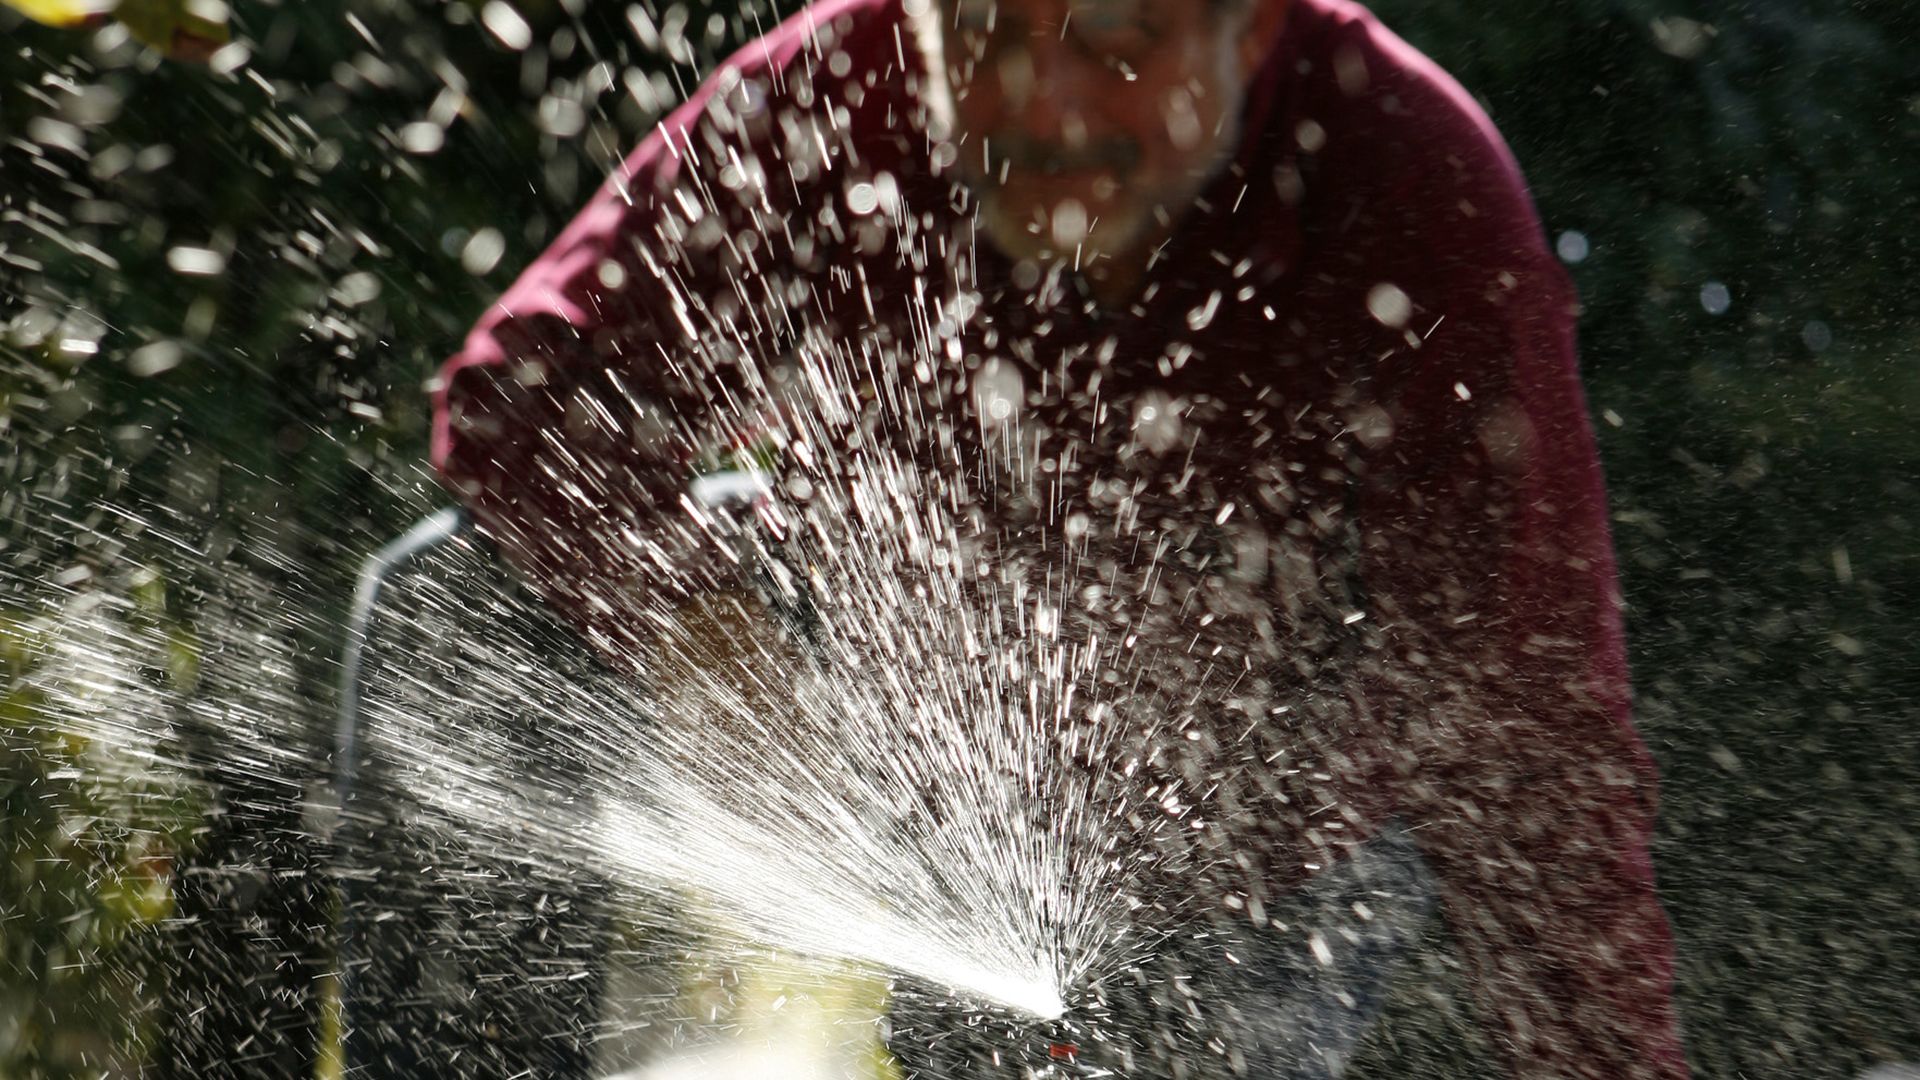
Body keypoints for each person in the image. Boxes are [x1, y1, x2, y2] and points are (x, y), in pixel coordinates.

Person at [431, 0, 1691, 1076]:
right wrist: (721, 657)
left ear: (1250, 26)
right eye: (979, 31)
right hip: (924, 816)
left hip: (1271, 867)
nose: (1040, 103)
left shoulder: (1406, 174)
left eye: (1118, 37)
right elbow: (525, 403)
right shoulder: (841, 91)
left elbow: (1528, 734)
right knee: (438, 602)